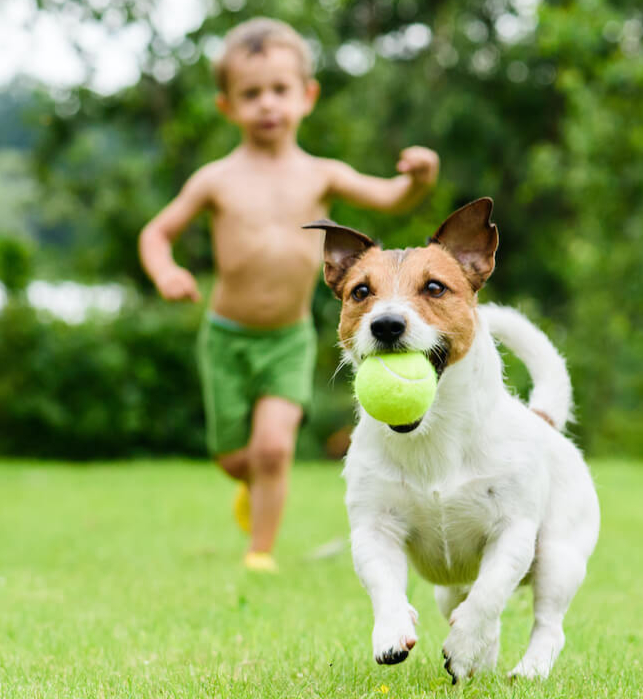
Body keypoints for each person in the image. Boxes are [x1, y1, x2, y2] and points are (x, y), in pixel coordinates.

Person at [138, 17, 440, 572]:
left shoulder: (320, 174)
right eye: (250, 94)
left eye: (279, 90)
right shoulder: (216, 179)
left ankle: (260, 553)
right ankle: (246, 483)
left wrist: (420, 178)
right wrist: (166, 272)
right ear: (227, 106)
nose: (266, 104)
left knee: (274, 449)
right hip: (226, 337)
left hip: (288, 339)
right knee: (237, 458)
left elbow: (391, 197)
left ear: (307, 96)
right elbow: (156, 232)